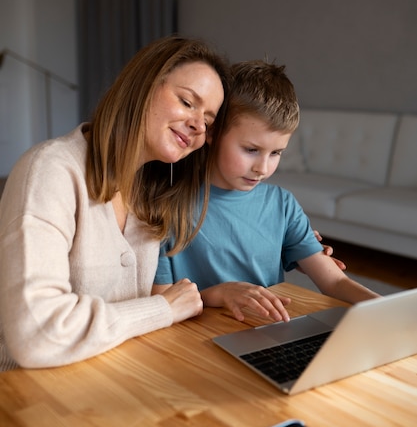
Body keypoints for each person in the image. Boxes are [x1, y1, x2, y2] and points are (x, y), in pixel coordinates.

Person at [0, 35, 231, 371]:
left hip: (113, 379)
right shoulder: (50, 170)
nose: (198, 125)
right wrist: (161, 308)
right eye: (186, 101)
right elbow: (36, 334)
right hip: (27, 396)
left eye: (208, 121)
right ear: (143, 85)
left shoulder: (150, 195)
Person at [153, 59, 379, 322]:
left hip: (266, 334)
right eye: (251, 150)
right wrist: (219, 294)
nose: (262, 168)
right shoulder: (166, 206)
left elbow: (335, 283)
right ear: (212, 131)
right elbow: (163, 302)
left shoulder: (282, 205)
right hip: (194, 338)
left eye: (276, 153)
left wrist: (390, 308)